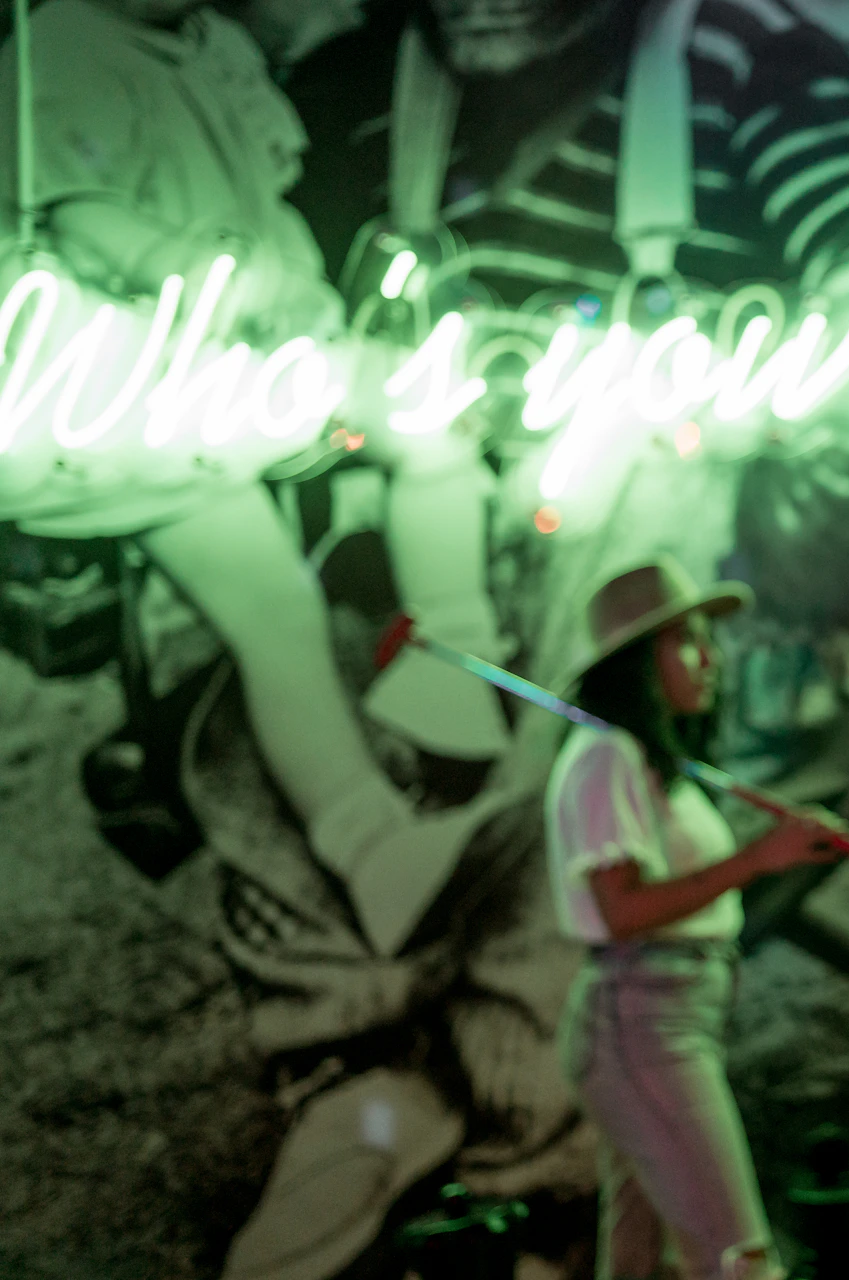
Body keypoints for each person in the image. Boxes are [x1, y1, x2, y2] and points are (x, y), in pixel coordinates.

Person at [0, 0, 516, 958]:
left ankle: (451, 656)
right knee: (275, 608)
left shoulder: (218, 47)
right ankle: (374, 849)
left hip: (261, 348)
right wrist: (180, 264)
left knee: (431, 421)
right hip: (134, 388)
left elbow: (270, 173)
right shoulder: (60, 49)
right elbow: (75, 211)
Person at [549, 554, 848, 1280]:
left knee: (638, 1263)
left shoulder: (644, 762)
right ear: (637, 662)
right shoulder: (606, 756)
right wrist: (756, 860)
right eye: (685, 640)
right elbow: (619, 910)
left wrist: (774, 854)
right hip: (644, 1022)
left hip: (661, 1018)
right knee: (738, 1260)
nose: (710, 658)